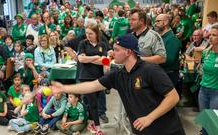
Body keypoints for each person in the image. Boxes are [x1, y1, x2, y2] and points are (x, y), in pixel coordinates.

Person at [51, 34, 186, 135]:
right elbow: (91, 86)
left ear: (128, 52)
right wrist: (64, 88)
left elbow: (173, 97)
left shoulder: (150, 70)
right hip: (142, 131)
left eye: (116, 49)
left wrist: (149, 118)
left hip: (167, 130)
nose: (111, 52)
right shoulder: (118, 75)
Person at [198, 25, 218, 135]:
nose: (210, 37)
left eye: (214, 35)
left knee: (213, 125)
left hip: (216, 93)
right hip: (203, 91)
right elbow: (202, 70)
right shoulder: (206, 52)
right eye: (210, 34)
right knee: (205, 123)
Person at [155, 14, 182, 89]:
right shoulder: (160, 36)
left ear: (166, 22)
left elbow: (168, 60)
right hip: (161, 73)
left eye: (158, 21)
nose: (155, 23)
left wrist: (150, 60)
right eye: (155, 21)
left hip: (168, 75)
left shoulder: (172, 39)